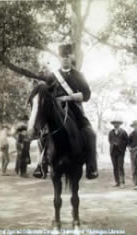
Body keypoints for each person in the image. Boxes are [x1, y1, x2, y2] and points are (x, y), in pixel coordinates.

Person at [36, 43, 98, 180]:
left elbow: (87, 94)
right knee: (42, 133)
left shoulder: (79, 75)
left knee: (91, 134)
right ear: (59, 59)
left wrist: (73, 97)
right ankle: (41, 164)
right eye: (62, 57)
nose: (65, 59)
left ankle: (91, 166)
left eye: (67, 56)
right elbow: (46, 94)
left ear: (71, 58)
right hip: (56, 110)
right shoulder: (52, 76)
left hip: (75, 110)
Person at [108, 118, 128, 188]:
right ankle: (117, 182)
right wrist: (113, 144)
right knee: (115, 167)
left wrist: (121, 146)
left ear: (119, 124)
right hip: (113, 151)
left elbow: (126, 141)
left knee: (120, 167)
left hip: (120, 152)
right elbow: (110, 140)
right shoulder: (111, 132)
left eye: (117, 123)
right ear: (113, 124)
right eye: (114, 123)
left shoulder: (123, 132)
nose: (115, 124)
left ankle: (122, 182)